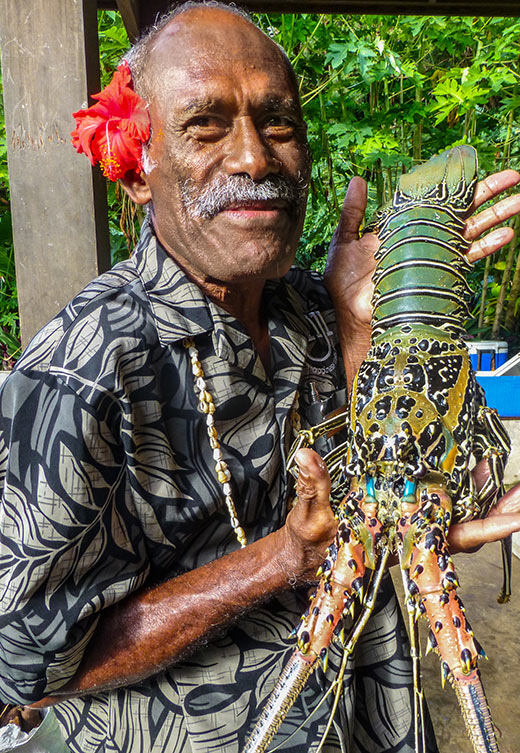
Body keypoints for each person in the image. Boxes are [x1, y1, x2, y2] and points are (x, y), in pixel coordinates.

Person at [1, 3, 520, 752]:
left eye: (278, 124)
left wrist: (352, 329)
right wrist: (284, 557)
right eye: (205, 124)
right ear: (139, 168)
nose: (253, 157)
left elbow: (373, 473)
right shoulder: (77, 369)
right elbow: (24, 663)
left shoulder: (312, 305)